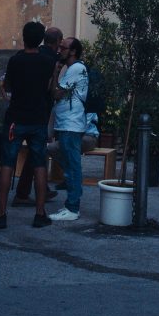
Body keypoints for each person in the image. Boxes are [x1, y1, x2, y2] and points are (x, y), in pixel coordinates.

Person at [0, 21, 55, 229]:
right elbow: (49, 88)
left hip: (16, 118)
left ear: (23, 37)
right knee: (39, 165)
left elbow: (8, 86)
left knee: (7, 164)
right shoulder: (47, 62)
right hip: (37, 118)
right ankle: (40, 213)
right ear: (41, 40)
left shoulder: (15, 61)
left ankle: (1, 214)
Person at [48, 37, 89, 222]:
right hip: (66, 123)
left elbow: (56, 93)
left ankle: (72, 207)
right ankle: (72, 202)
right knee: (70, 165)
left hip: (71, 124)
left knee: (72, 166)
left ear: (73, 51)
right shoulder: (71, 70)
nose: (59, 50)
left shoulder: (76, 69)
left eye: (63, 47)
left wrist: (55, 73)